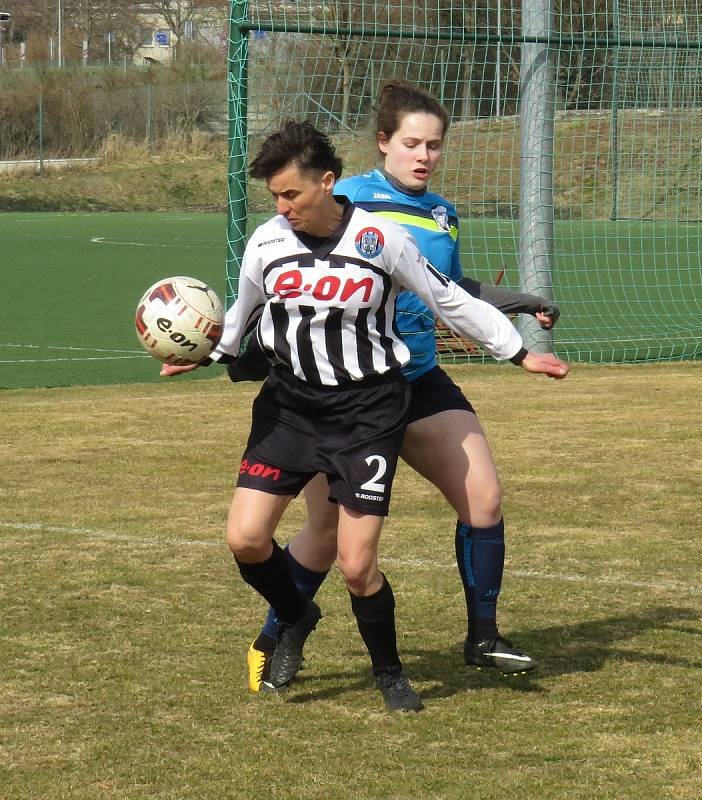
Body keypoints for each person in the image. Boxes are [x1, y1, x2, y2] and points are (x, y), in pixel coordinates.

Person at [163, 119, 568, 712]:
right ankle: (298, 616)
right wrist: (205, 355)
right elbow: (242, 319)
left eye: (292, 194)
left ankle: (390, 672)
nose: (282, 207)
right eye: (274, 196)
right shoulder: (267, 242)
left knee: (357, 564)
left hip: (366, 411)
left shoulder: (378, 241)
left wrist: (518, 350)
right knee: (246, 539)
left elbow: (448, 299)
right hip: (291, 408)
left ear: (327, 182)